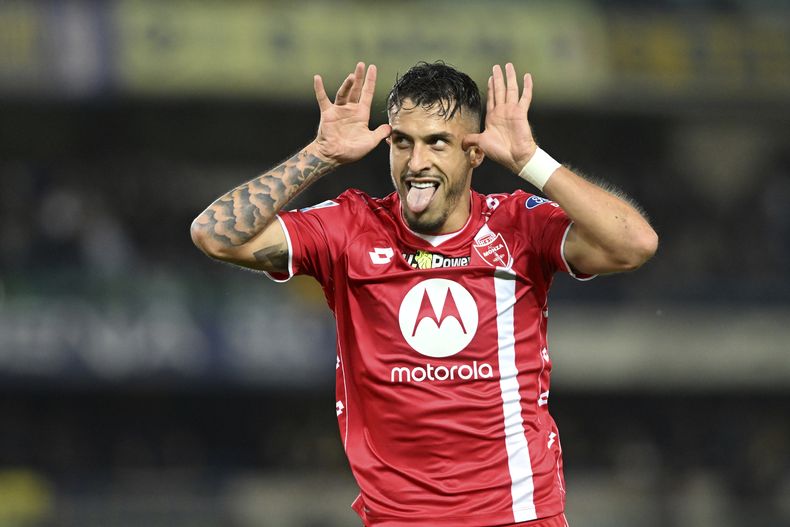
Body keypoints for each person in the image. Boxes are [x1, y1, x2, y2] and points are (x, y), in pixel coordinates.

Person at [191, 61, 658, 527]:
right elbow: (215, 236)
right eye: (402, 142)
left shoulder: (518, 225)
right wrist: (321, 154)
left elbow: (634, 244)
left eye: (437, 142)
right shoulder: (350, 227)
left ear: (474, 153)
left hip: (518, 515)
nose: (417, 163)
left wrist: (530, 161)